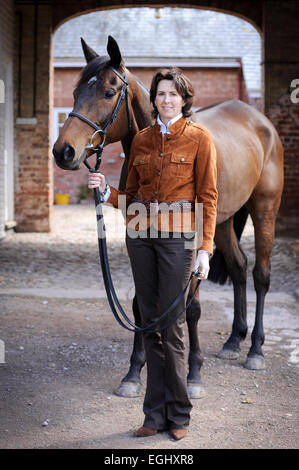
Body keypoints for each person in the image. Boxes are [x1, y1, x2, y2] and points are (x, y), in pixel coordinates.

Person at [88, 68, 218, 440]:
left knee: (172, 327)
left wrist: (206, 249)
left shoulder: (199, 139)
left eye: (172, 95)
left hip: (178, 242)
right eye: (160, 94)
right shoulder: (142, 141)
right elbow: (130, 198)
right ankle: (153, 415)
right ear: (154, 99)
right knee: (148, 325)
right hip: (140, 238)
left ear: (183, 99)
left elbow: (208, 198)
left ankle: (178, 416)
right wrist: (106, 192)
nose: (165, 100)